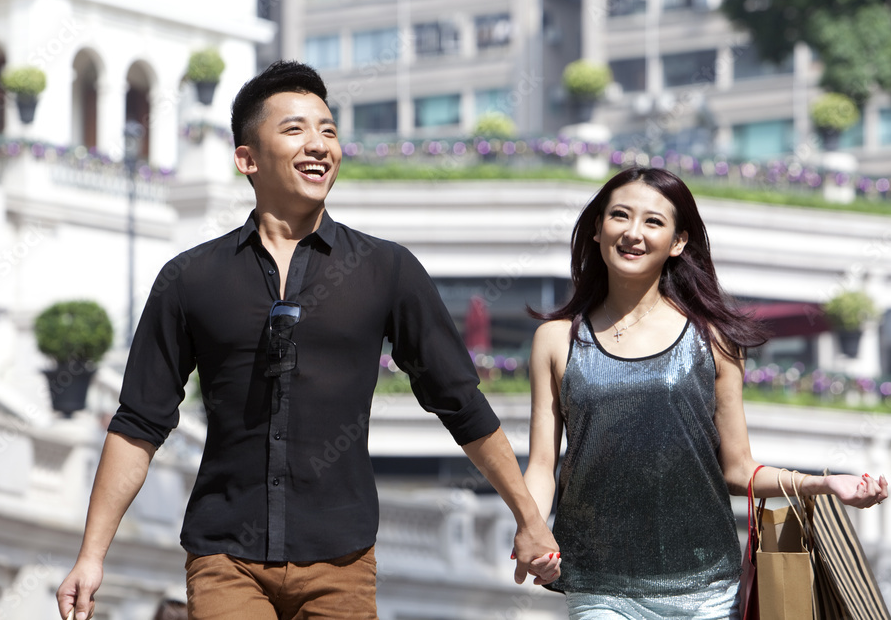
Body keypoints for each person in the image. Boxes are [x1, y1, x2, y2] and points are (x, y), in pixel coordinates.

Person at [56, 60, 560, 620]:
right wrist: (90, 556)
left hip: (341, 561)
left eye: (328, 130)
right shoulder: (189, 278)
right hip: (225, 557)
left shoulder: (385, 269)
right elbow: (139, 423)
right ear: (247, 159)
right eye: (294, 129)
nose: (319, 144)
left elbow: (459, 400)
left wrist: (529, 519)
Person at [522, 166, 889, 619]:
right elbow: (543, 464)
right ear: (597, 228)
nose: (633, 233)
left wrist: (821, 483)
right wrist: (531, 527)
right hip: (599, 589)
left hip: (708, 593)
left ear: (678, 242)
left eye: (653, 221)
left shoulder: (713, 339)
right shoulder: (556, 340)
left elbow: (737, 469)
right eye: (620, 216)